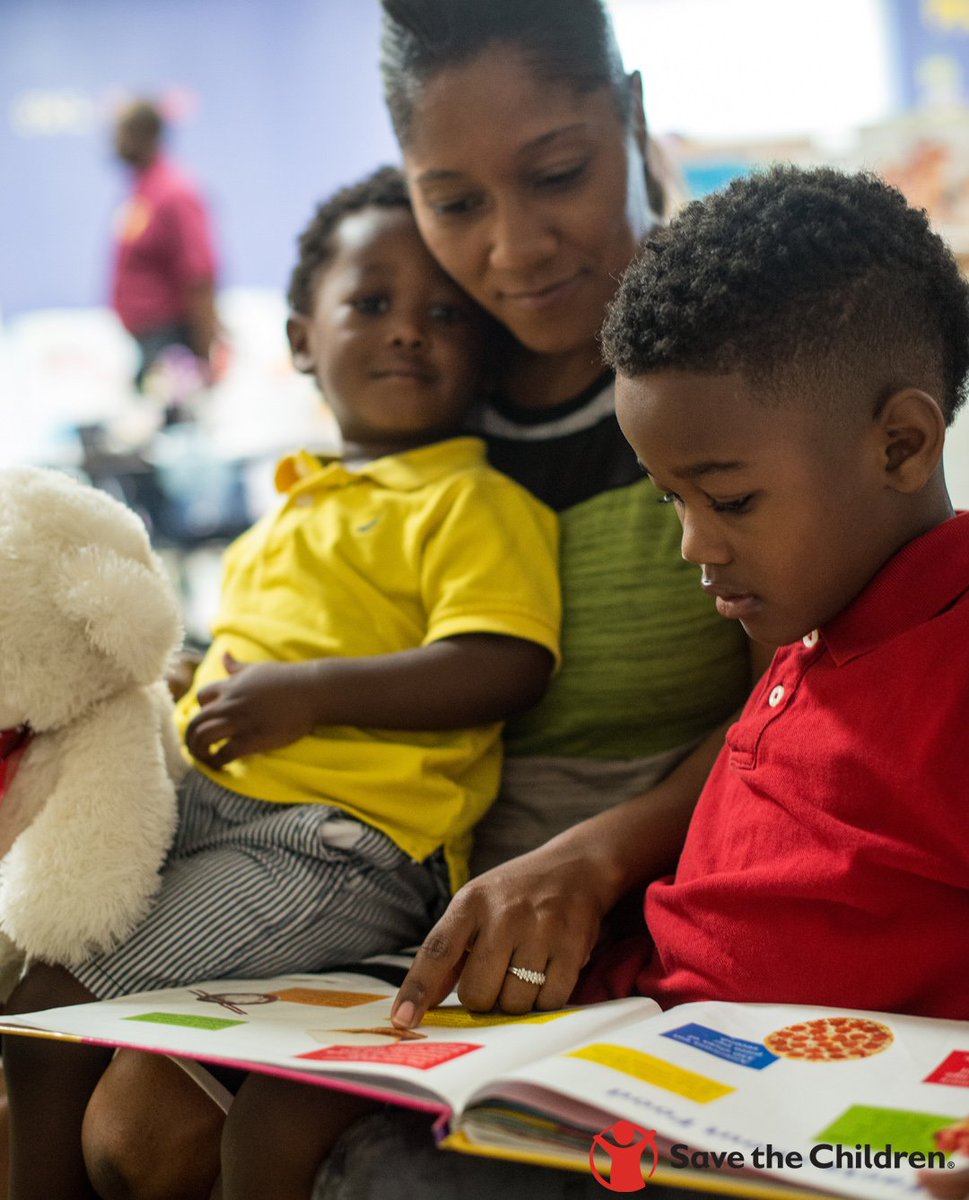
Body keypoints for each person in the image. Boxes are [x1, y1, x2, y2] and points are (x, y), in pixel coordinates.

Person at [77, 1, 761, 1195]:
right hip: (396, 876)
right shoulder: (432, 379)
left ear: (632, 115)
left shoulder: (743, 365)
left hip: (641, 881)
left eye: (557, 174)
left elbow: (811, 696)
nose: (513, 250)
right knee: (130, 1129)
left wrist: (598, 858)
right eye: (456, 203)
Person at [313, 162, 969, 1200]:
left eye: (732, 501)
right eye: (671, 501)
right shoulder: (808, 629)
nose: (692, 546)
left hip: (809, 1144)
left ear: (900, 443)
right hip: (640, 1068)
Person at [2, 164, 562, 1200]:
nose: (409, 331)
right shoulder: (287, 512)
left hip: (339, 850)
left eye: (444, 313)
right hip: (217, 814)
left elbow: (505, 664)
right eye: (372, 303)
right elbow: (246, 662)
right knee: (34, 956)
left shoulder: (471, 502)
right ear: (304, 337)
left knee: (49, 1006)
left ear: (482, 349)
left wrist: (309, 696)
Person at [110, 99, 221, 390]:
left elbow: (199, 275)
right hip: (150, 340)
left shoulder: (174, 192)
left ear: (145, 134)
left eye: (121, 132)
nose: (114, 143)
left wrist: (204, 355)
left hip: (172, 342)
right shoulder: (143, 190)